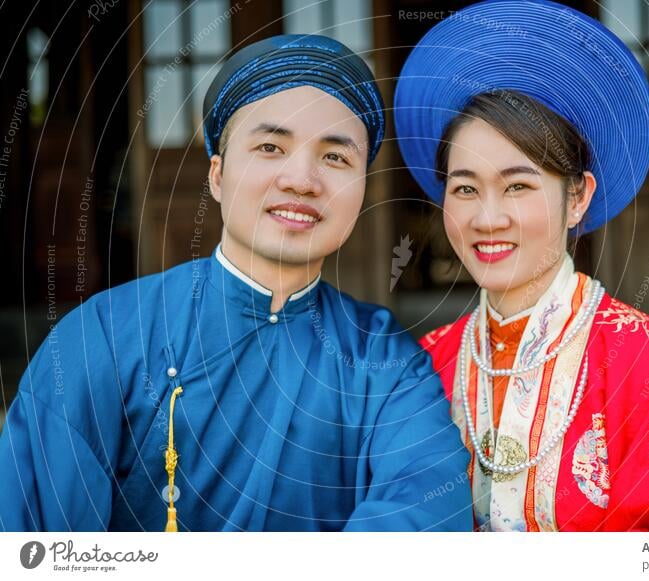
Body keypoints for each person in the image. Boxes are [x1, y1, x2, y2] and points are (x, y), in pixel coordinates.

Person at [0, 34, 472, 532]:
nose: (301, 179)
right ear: (218, 176)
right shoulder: (104, 335)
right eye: (270, 147)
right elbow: (32, 540)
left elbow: (426, 518)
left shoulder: (386, 360)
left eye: (335, 158)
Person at [394, 0, 649, 532]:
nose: (487, 217)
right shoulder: (422, 372)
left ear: (577, 198)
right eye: (464, 188)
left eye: (518, 185)